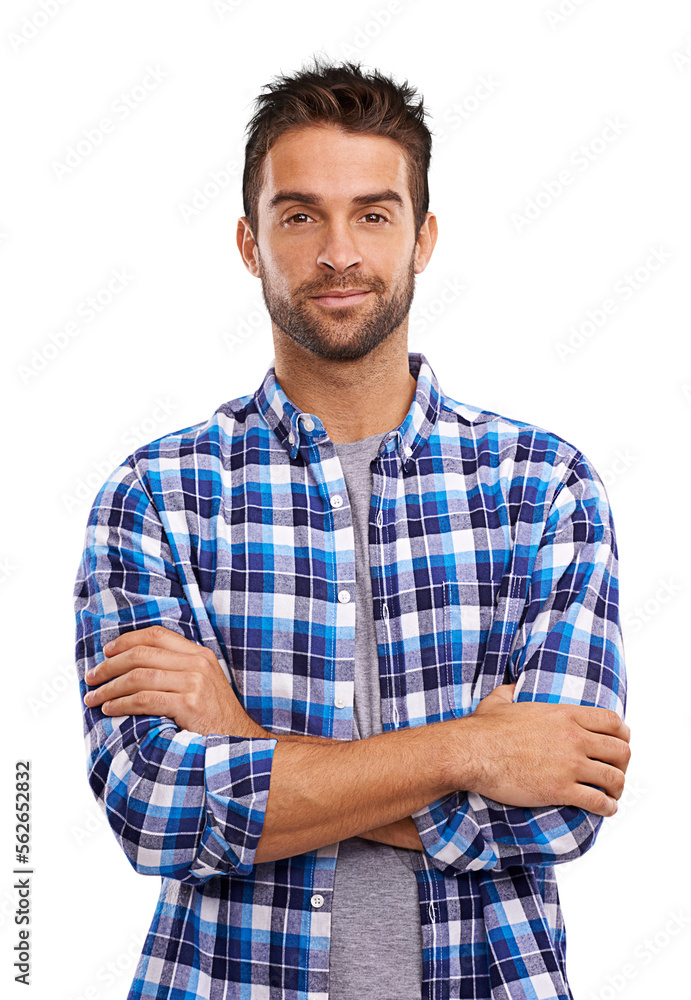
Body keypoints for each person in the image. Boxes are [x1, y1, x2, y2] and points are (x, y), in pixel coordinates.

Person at [74, 57, 630, 1000]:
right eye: (301, 216)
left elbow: (554, 816)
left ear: (424, 239)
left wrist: (242, 737)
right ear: (250, 243)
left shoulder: (544, 487)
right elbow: (157, 811)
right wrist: (470, 750)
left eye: (373, 213)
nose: (338, 251)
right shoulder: (155, 496)